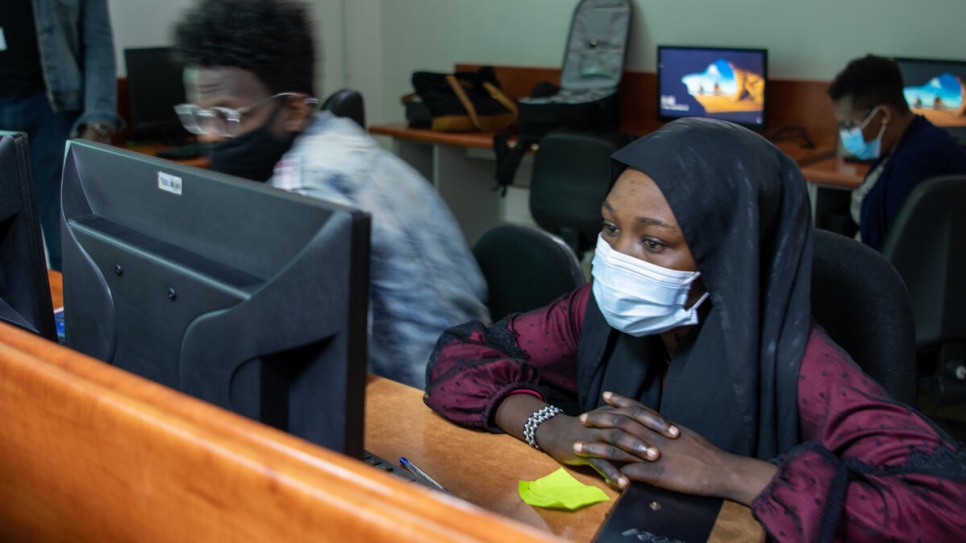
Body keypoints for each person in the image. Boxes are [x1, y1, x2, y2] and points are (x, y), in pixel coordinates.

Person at [424, 118, 966, 542]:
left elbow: (948, 510)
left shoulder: (799, 364)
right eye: (611, 228)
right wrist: (549, 427)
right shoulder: (596, 309)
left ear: (724, 257)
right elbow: (460, 358)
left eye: (654, 243)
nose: (616, 258)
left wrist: (731, 474)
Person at [172, 0, 489, 389]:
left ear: (292, 109)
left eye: (227, 116)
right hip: (454, 379)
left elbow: (312, 356)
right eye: (199, 116)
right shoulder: (331, 135)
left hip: (421, 405)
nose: (207, 136)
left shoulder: (309, 184)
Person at [0, 0, 122, 271]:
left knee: (66, 237)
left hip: (54, 110)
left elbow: (98, 42)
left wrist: (99, 118)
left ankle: (75, 313)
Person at [828, 55, 966, 251]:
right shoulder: (894, 146)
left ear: (883, 115)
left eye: (849, 125)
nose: (846, 134)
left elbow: (896, 254)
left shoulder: (923, 161)